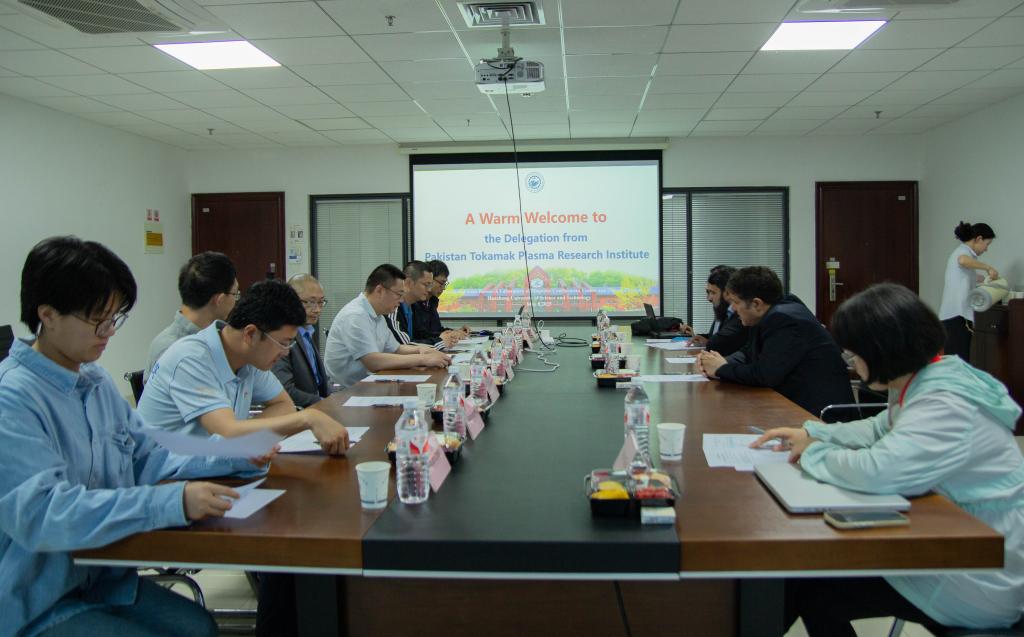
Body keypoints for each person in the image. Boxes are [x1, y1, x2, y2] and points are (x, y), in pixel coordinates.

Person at [0, 236, 270, 637]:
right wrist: (168, 502)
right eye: (98, 320)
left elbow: (150, 454)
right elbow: (44, 514)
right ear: (48, 315)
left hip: (101, 579)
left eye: (115, 317)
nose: (109, 331)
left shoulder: (94, 381)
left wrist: (231, 454)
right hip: (36, 599)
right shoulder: (13, 397)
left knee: (197, 627)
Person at [751, 283, 1024, 635]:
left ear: (881, 352)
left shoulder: (945, 405)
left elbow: (877, 471)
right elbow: (879, 428)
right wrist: (813, 433)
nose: (851, 361)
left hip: (979, 575)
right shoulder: (925, 378)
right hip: (952, 540)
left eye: (854, 353)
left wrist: (813, 453)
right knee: (806, 581)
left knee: (811, 585)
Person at [138, 279, 348, 454]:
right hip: (165, 477)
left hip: (211, 465)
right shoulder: (191, 358)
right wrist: (308, 418)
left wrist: (247, 436)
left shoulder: (249, 358)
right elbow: (226, 432)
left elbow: (284, 405)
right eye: (283, 343)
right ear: (250, 334)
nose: (286, 352)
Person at [697, 266, 853, 417]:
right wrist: (719, 361)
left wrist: (721, 368)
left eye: (736, 302)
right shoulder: (770, 313)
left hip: (818, 414)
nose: (733, 309)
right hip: (794, 404)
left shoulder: (784, 320)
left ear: (756, 304)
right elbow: (748, 351)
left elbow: (764, 375)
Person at [324, 264, 451, 390]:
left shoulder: (378, 314)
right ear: (380, 290)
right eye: (398, 294)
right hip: (346, 391)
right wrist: (422, 359)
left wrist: (421, 350)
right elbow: (373, 361)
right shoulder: (355, 315)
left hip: (368, 384)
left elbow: (395, 349)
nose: (401, 301)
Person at [145, 251, 238, 381]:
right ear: (219, 299)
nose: (236, 300)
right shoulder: (171, 349)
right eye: (235, 294)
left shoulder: (214, 337)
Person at [938, 221, 999, 361]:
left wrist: (981, 278)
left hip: (955, 316)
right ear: (979, 239)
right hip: (957, 316)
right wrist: (988, 268)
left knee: (958, 359)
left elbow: (964, 273)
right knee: (958, 360)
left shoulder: (964, 253)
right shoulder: (963, 252)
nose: (986, 249)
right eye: (987, 244)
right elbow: (962, 261)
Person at [271, 274, 330, 407]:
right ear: (290, 301)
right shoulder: (280, 336)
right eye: (310, 302)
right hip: (299, 411)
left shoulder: (307, 332)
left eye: (321, 302)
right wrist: (324, 402)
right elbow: (285, 390)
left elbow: (320, 383)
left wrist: (337, 398)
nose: (317, 310)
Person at [688, 265, 748, 357]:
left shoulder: (740, 313)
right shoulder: (722, 310)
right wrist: (698, 337)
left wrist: (708, 342)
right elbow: (715, 336)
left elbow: (717, 343)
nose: (709, 298)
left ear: (727, 293)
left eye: (713, 292)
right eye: (708, 292)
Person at [387, 260, 445, 350]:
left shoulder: (414, 306)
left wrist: (445, 336)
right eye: (426, 285)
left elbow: (421, 335)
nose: (429, 289)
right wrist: (441, 342)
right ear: (408, 283)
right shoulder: (394, 307)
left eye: (430, 285)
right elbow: (404, 345)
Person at [416, 259, 469, 349]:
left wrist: (455, 332)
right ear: (430, 279)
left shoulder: (432, 301)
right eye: (441, 283)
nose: (443, 288)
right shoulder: (415, 302)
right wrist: (448, 336)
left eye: (445, 283)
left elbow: (435, 329)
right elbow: (421, 335)